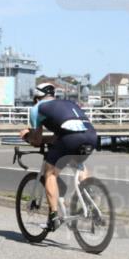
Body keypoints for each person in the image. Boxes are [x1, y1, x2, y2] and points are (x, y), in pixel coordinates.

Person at [19, 83, 99, 231]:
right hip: (91, 135)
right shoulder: (67, 103)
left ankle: (54, 217)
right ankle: (89, 198)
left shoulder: (37, 108)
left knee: (50, 173)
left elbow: (36, 141)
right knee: (78, 163)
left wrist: (26, 136)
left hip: (70, 137)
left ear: (36, 98)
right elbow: (59, 135)